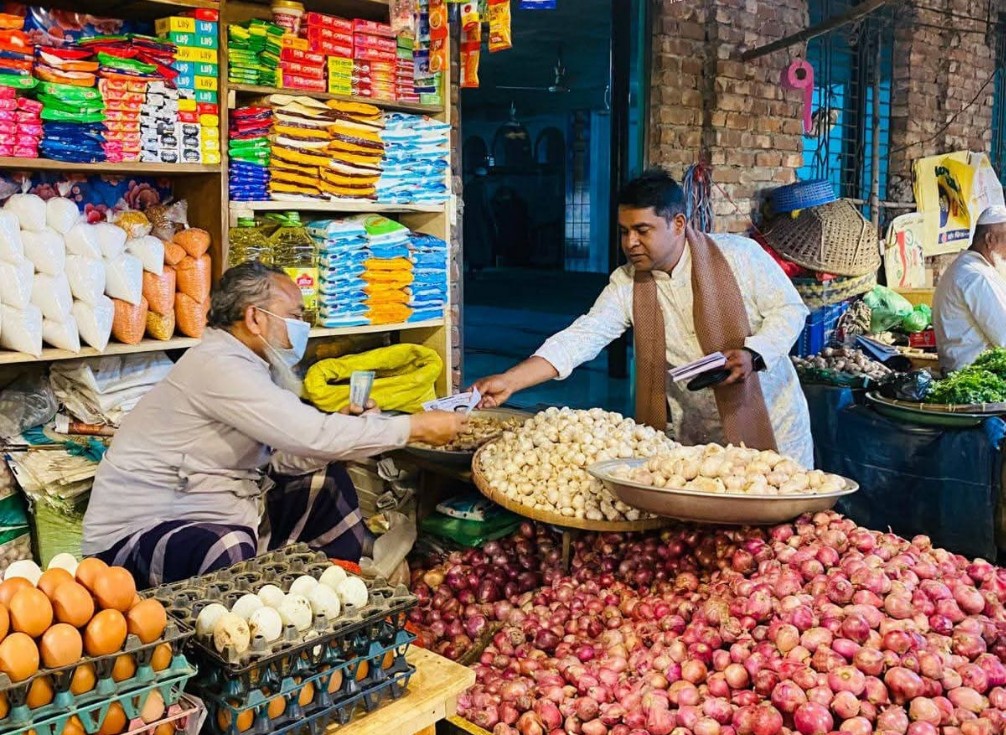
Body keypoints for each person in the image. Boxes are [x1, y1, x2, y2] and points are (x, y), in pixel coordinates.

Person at [81, 262, 464, 587]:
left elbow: (280, 460)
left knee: (325, 480)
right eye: (295, 315)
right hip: (133, 540)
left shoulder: (252, 368)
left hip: (221, 510)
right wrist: (414, 428)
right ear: (254, 318)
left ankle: (336, 590)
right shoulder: (219, 366)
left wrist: (334, 439)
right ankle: (228, 651)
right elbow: (310, 434)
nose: (301, 326)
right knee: (227, 548)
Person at [474, 168, 814, 468]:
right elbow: (583, 336)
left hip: (769, 421)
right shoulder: (628, 282)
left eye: (642, 230)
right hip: (695, 435)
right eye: (624, 231)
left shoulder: (739, 256)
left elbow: (790, 309)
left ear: (677, 223)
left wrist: (754, 353)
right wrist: (511, 380)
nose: (630, 242)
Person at [933, 205, 1006, 371]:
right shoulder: (975, 275)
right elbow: (1004, 338)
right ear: (989, 239)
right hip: (974, 374)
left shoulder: (973, 267)